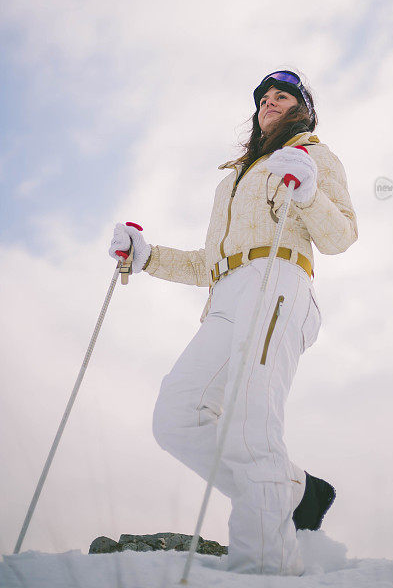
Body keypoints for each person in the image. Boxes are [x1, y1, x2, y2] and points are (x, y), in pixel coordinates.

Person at [108, 69, 358, 576]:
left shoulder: (314, 156)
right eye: (264, 97)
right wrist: (147, 256)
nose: (270, 102)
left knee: (252, 425)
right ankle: (295, 490)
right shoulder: (234, 179)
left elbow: (341, 237)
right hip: (226, 295)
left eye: (282, 95)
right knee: (177, 415)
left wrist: (308, 191)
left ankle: (263, 568)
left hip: (280, 282)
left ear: (301, 108)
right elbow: (208, 263)